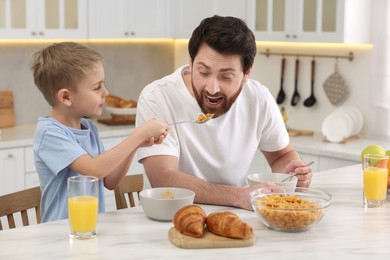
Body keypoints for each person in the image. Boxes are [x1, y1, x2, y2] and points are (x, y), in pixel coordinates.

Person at [135, 15, 312, 210]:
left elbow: (281, 155)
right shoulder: (157, 96)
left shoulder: (258, 97)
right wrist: (238, 196)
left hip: (235, 214)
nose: (212, 88)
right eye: (203, 72)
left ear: (246, 75)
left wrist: (291, 175)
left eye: (226, 77)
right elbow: (164, 178)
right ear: (191, 63)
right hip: (171, 216)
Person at [31, 42, 169, 222]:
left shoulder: (89, 128)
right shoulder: (49, 133)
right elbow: (94, 170)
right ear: (66, 97)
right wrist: (139, 134)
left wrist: (137, 144)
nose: (106, 92)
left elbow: (110, 181)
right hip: (60, 234)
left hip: (90, 229)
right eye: (97, 87)